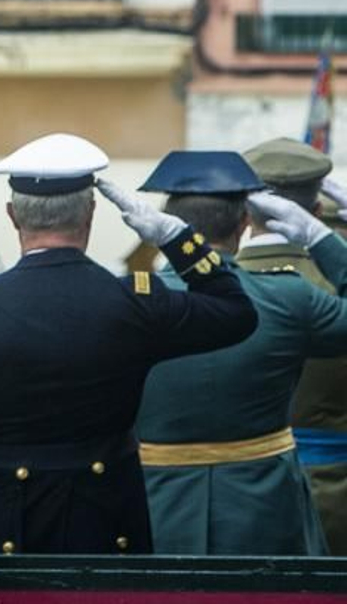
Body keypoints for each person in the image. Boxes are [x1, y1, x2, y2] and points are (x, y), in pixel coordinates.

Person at [0, 133, 258, 555]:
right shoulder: (136, 302)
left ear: (12, 215)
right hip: (109, 518)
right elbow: (236, 313)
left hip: (6, 522)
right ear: (91, 213)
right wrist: (176, 238)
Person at [133, 150, 347, 555]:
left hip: (155, 504)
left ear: (163, 228)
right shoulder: (288, 297)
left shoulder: (129, 301)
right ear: (245, 223)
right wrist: (323, 240)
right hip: (266, 507)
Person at [242, 138, 347, 553]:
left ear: (243, 212)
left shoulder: (210, 288)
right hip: (337, 490)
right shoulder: (334, 287)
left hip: (242, 492)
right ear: (318, 211)